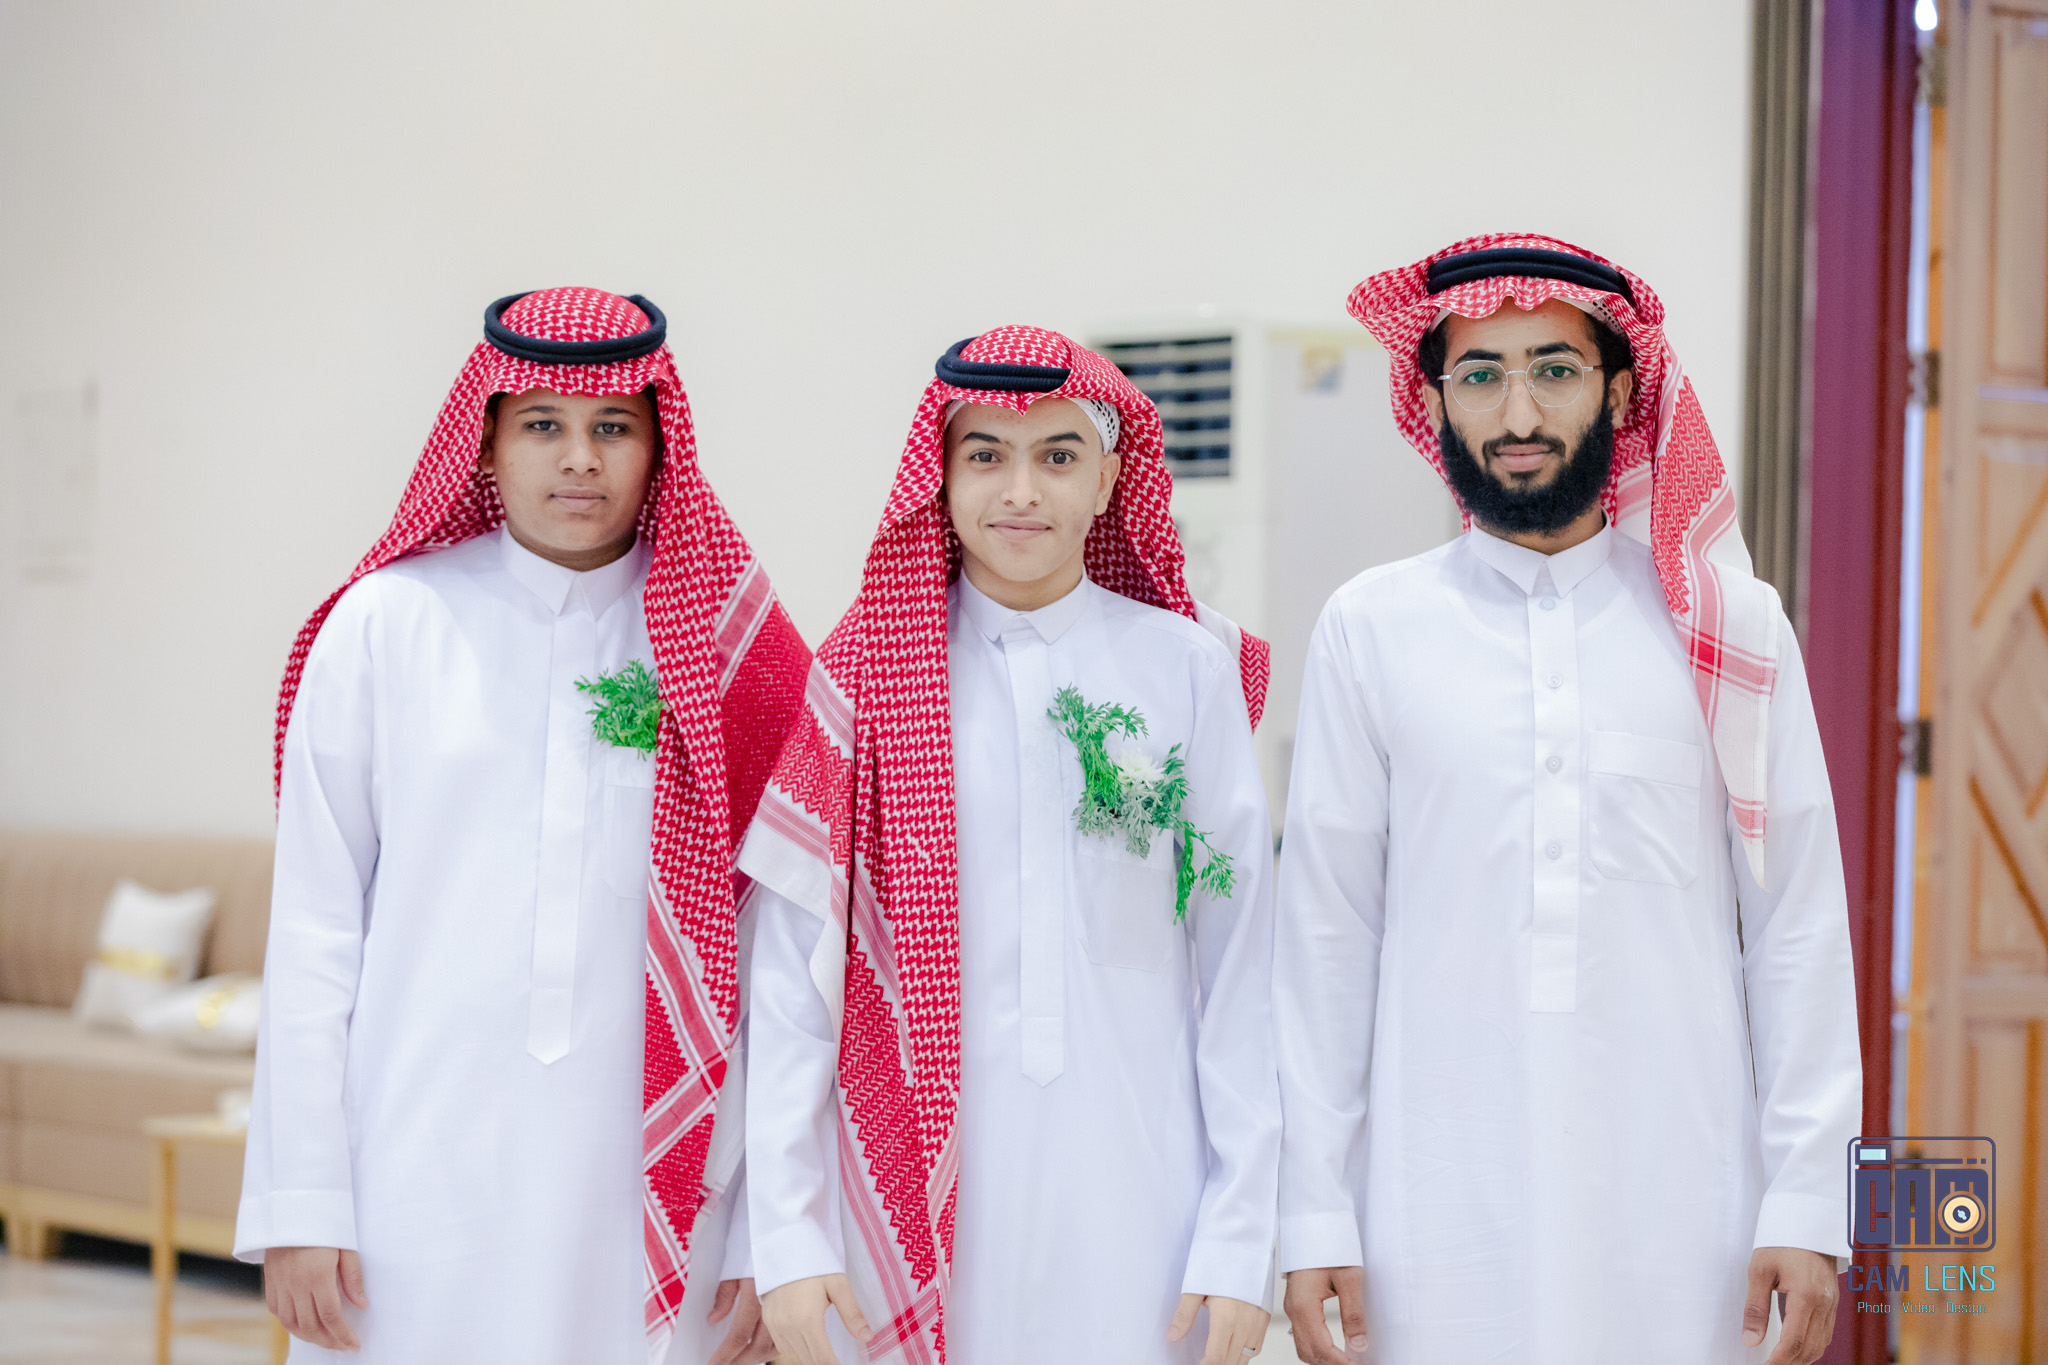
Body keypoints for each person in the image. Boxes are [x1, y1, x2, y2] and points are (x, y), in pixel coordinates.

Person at [1275, 237, 1861, 1365]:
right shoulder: (1370, 628)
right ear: (1432, 401)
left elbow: (1796, 926)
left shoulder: (1730, 628)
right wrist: (1313, 1212)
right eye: (1479, 375)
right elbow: (1325, 943)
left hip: (1684, 1211)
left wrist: (1806, 1199)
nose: (1518, 413)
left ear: (1621, 391)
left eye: (1553, 368)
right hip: (1429, 1212)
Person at [236, 288, 811, 1364]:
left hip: (658, 1178)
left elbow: (780, 955)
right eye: (543, 424)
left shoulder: (735, 652)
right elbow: (315, 928)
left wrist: (770, 1225)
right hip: (411, 1163)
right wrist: (300, 1196)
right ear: (487, 443)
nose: (579, 458)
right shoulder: (385, 624)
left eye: (613, 427)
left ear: (658, 449)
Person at [736, 327, 1281, 1365]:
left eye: (1058, 455)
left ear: (1108, 479)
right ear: (939, 477)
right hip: (898, 1210)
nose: (1020, 490)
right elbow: (793, 978)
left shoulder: (1184, 669)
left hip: (1146, 1206)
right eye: (985, 454)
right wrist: (788, 1237)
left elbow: (1241, 968)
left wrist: (1242, 1230)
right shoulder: (863, 674)